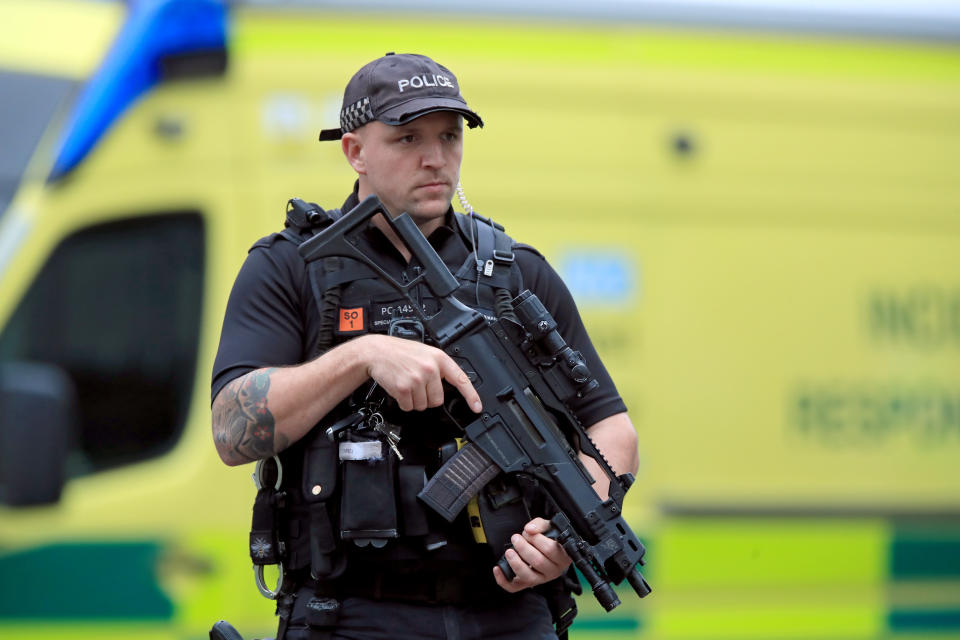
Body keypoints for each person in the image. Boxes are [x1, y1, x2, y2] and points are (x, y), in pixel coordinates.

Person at [211, 52, 639, 640]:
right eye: (408, 137)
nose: (435, 157)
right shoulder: (291, 268)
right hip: (352, 614)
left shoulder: (516, 275)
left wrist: (561, 540)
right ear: (355, 151)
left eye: (449, 135)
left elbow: (612, 430)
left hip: (509, 613)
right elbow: (232, 431)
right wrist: (362, 357)